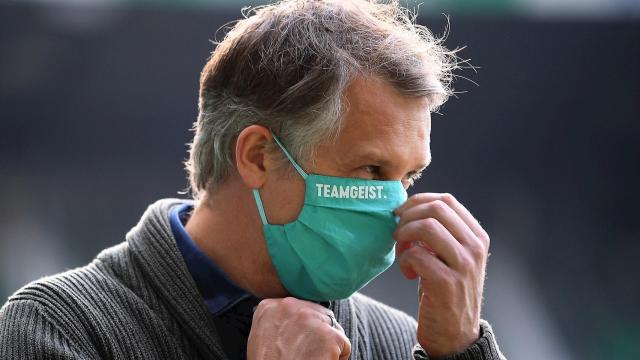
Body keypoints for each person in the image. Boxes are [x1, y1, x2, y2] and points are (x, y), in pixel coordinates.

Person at [0, 1, 505, 359]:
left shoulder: (399, 343)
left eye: (409, 176)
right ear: (258, 156)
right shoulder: (59, 329)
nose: (398, 206)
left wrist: (462, 353)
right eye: (372, 171)